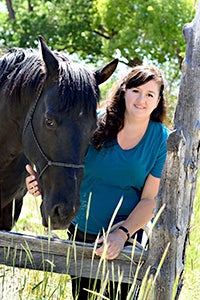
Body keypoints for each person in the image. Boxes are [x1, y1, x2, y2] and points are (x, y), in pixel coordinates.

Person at [26, 64, 169, 299]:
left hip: (126, 238)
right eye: (136, 90)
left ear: (157, 101)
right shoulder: (94, 122)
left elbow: (149, 200)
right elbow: (66, 167)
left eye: (150, 94)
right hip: (81, 231)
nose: (141, 99)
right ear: (124, 91)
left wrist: (121, 234)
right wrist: (40, 184)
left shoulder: (160, 139)